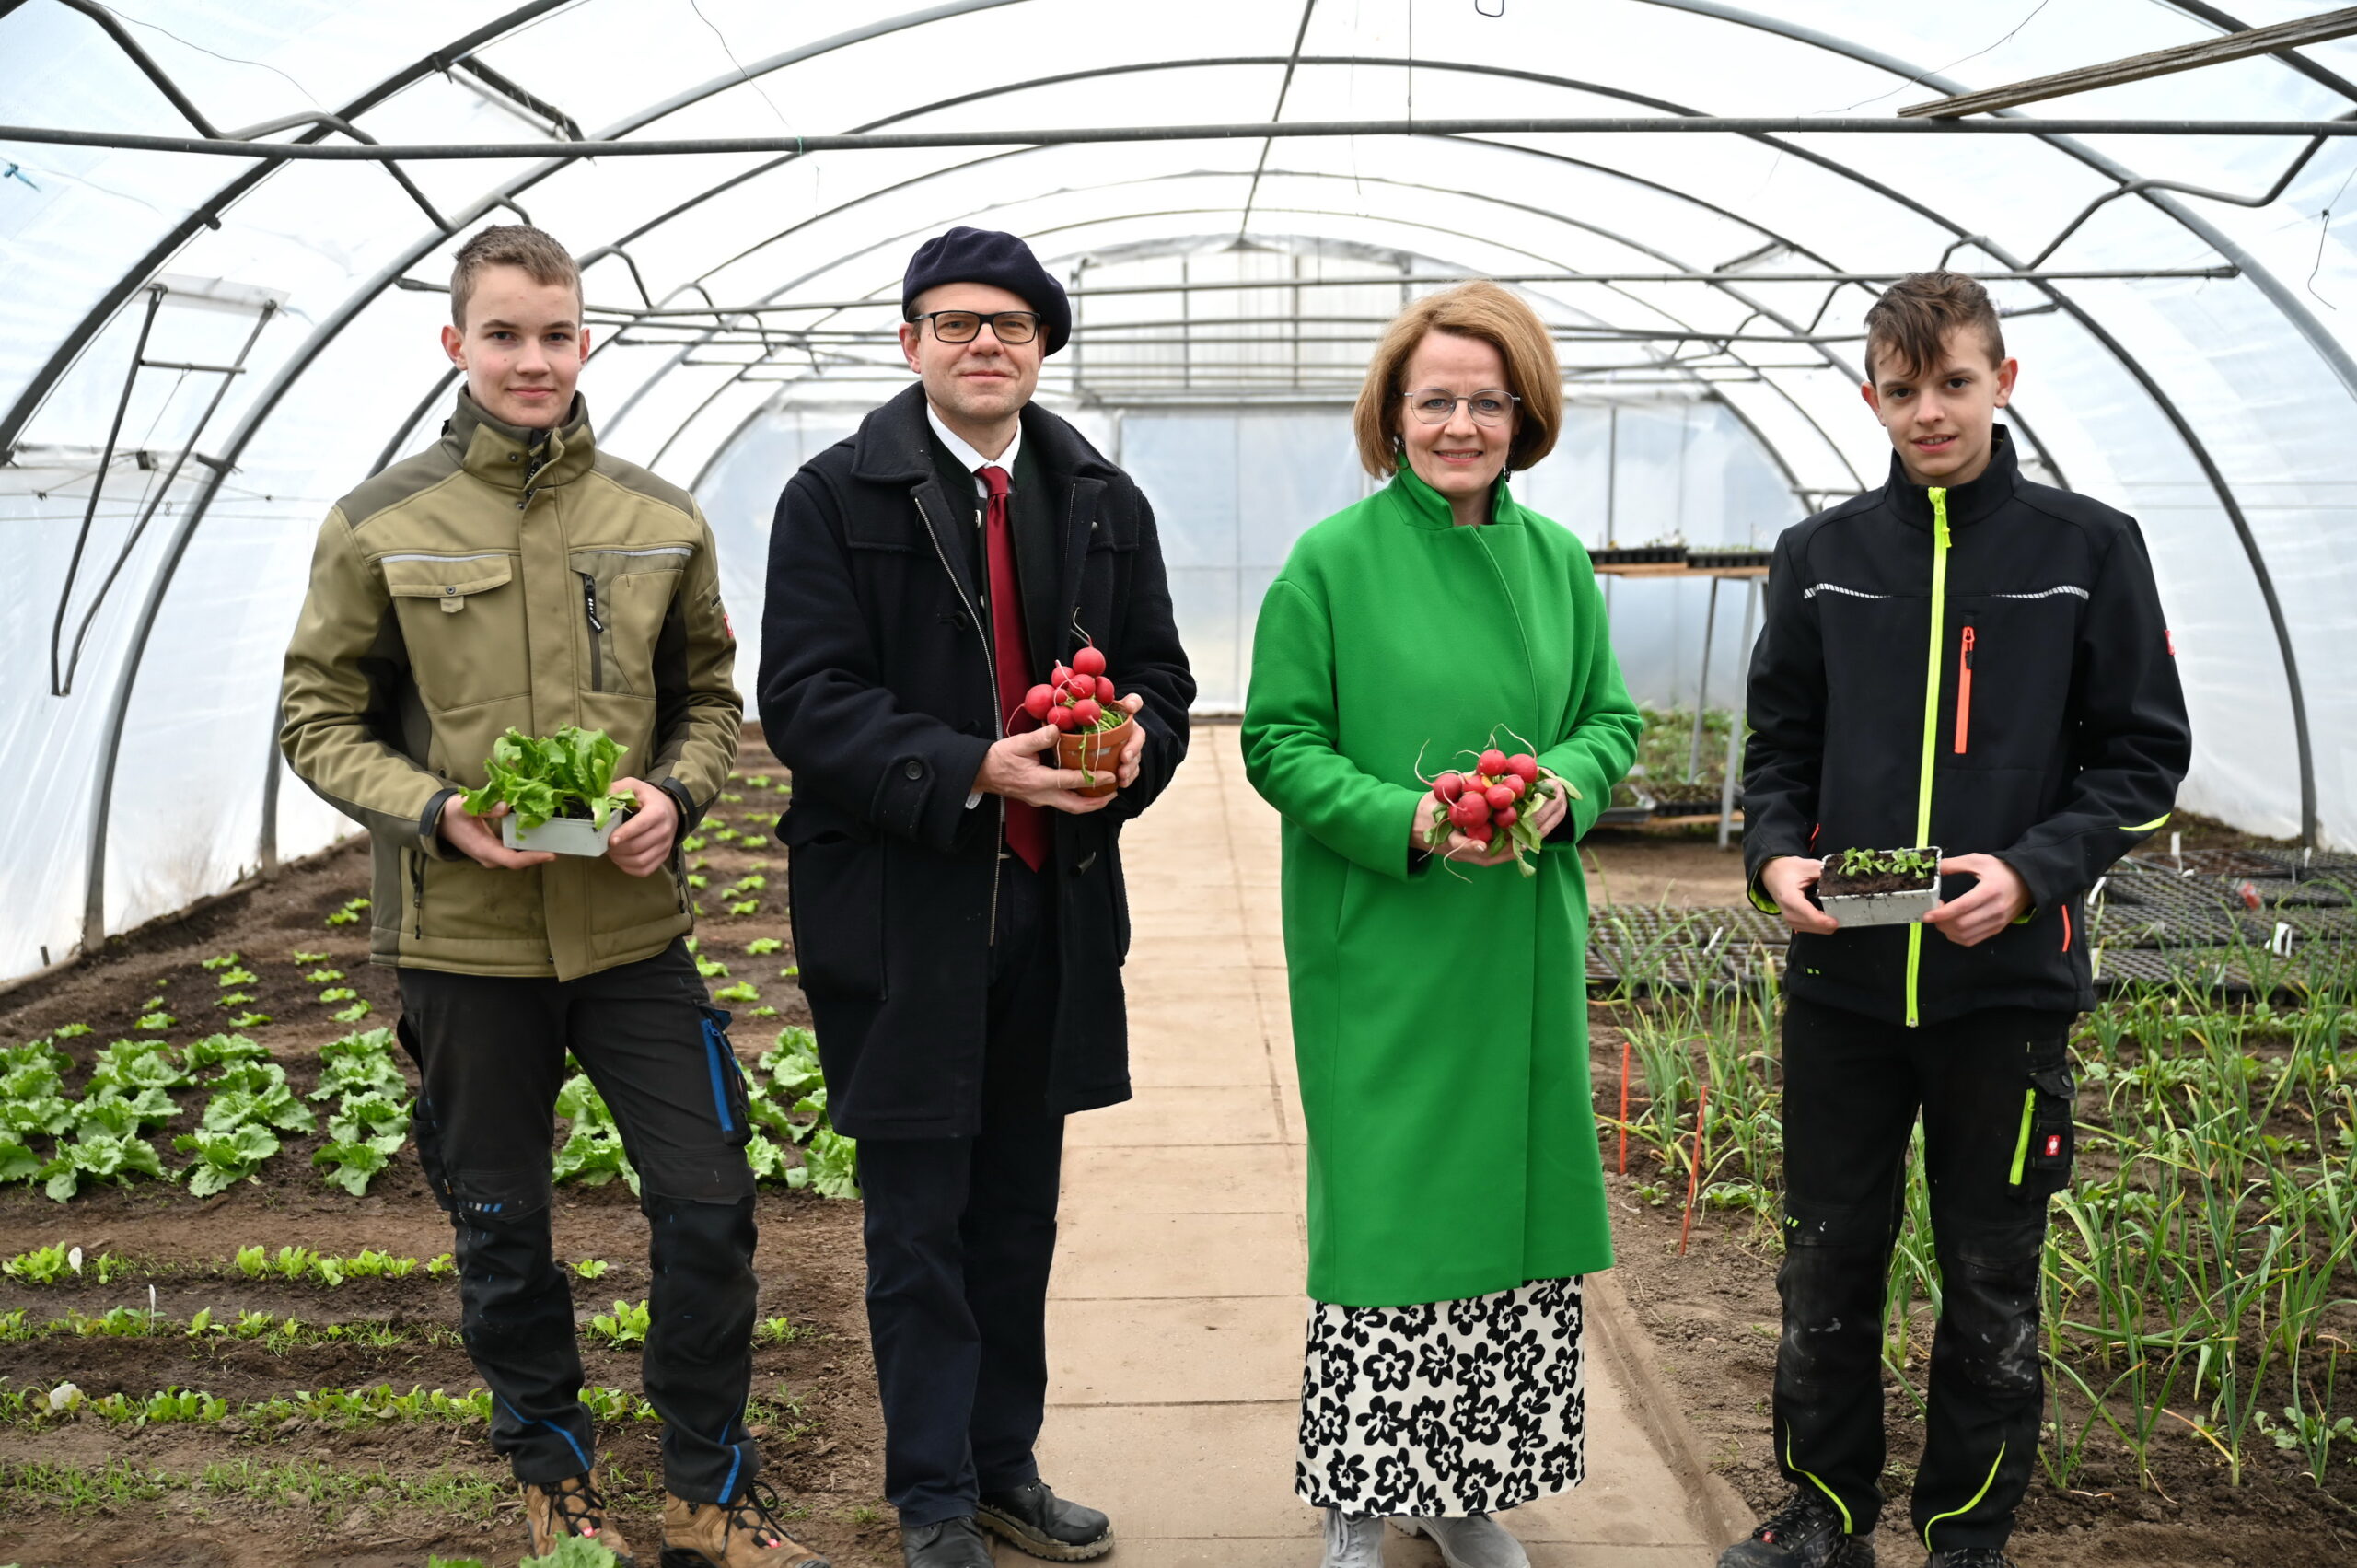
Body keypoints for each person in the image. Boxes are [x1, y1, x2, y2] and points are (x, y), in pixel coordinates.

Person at [281, 224, 826, 1568]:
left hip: (633, 938)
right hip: (465, 947)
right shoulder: (379, 525)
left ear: (587, 342)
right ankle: (558, 1480)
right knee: (502, 1227)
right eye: (506, 333)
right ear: (455, 344)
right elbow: (315, 718)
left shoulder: (658, 519)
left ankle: (708, 1492)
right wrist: (439, 813)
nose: (534, 358)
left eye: (557, 332)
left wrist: (676, 798)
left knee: (709, 1205)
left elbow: (709, 702)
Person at [1726, 271, 2192, 1568]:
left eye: (1953, 383)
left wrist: (2036, 873)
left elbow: (2142, 757)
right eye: (1901, 388)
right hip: (1846, 995)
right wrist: (1774, 862)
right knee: (1826, 1263)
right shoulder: (1822, 561)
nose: (1927, 411)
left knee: (1992, 1275)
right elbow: (1780, 751)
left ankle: (1967, 1532)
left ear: (2003, 384)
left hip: (2010, 990)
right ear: (1869, 394)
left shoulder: (2085, 549)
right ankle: (1822, 1518)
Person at [759, 226, 1195, 1568]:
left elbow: (1164, 687)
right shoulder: (835, 498)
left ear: (1043, 346)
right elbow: (806, 702)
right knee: (915, 1231)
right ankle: (933, 1498)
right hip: (907, 919)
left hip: (1051, 916)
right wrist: (970, 767)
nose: (983, 343)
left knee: (1015, 1215)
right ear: (909, 344)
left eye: (1008, 324)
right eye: (953, 324)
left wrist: (1132, 752)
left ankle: (1005, 1468)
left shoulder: (1103, 501)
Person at [1240, 280, 1643, 1568]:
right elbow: (1278, 741)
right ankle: (1362, 1490)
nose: (1460, 423)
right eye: (1435, 401)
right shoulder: (1332, 562)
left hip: (1514, 943)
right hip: (1387, 939)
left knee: (1505, 1226)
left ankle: (1466, 1487)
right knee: (1390, 1214)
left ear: (1523, 414)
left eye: (1486, 400)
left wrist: (1565, 784)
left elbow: (1611, 720)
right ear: (1391, 414)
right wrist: (1408, 819)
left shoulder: (1557, 562)